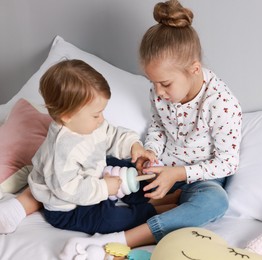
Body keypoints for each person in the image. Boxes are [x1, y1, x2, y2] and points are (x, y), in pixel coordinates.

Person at [60, 0, 242, 258]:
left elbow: (227, 163)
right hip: (157, 173)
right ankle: (42, 194)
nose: (158, 92)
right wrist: (150, 153)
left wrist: (177, 174)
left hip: (197, 180)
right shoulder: (159, 92)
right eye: (152, 83)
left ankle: (122, 238)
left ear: (194, 69)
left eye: (165, 84)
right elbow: (158, 126)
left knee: (215, 202)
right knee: (91, 155)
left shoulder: (222, 104)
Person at [0, 59, 179, 235]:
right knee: (110, 220)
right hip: (70, 207)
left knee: (127, 166)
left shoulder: (89, 124)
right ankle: (151, 211)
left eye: (101, 112)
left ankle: (149, 195)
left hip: (93, 174)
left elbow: (112, 134)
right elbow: (68, 189)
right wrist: (103, 188)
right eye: (96, 115)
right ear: (67, 116)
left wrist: (134, 145)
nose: (101, 119)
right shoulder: (62, 150)